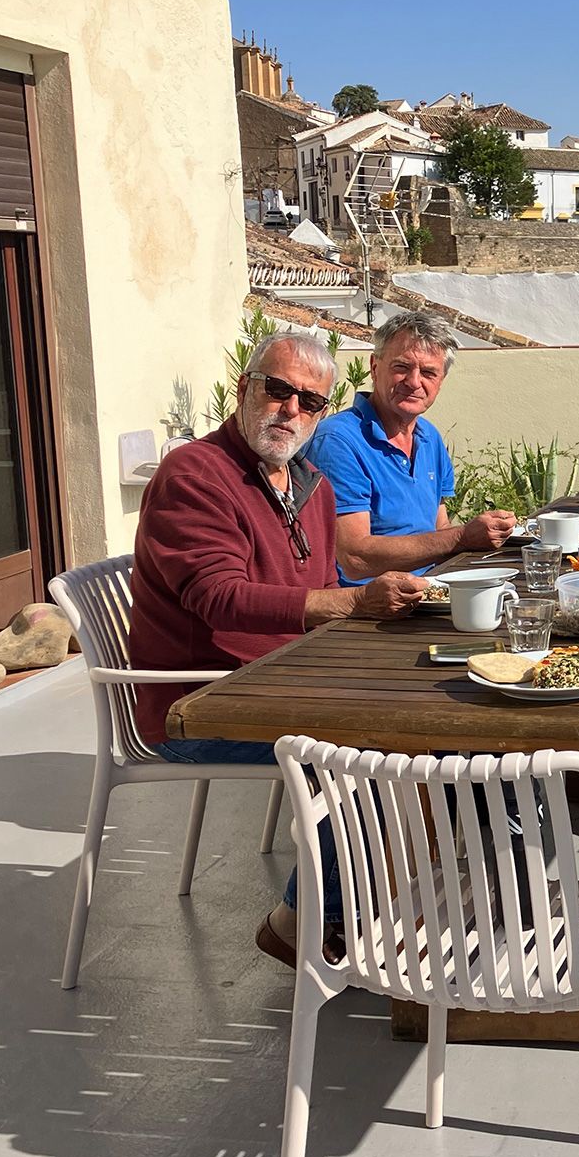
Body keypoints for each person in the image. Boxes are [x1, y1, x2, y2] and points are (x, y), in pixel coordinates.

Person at [131, 331, 425, 966]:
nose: (291, 409)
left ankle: (382, 897)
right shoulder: (195, 475)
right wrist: (352, 603)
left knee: (422, 715)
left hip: (280, 681)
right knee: (362, 747)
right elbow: (220, 597)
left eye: (310, 401)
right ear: (246, 389)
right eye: (278, 390)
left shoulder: (307, 483)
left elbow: (313, 595)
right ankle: (307, 925)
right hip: (200, 703)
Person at [304, 311, 519, 585]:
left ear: (441, 381)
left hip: (430, 590)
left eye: (428, 372)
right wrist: (463, 537)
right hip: (365, 610)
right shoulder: (338, 441)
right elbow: (355, 559)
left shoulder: (429, 436)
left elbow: (439, 528)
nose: (414, 382)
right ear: (374, 367)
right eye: (402, 367)